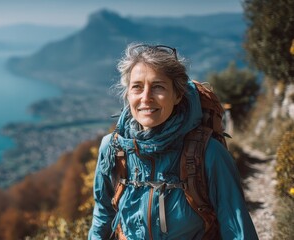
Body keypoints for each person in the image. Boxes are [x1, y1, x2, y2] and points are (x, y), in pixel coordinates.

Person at [88, 43, 258, 239]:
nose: (146, 97)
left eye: (158, 87)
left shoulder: (208, 153)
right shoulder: (113, 149)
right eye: (137, 87)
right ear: (128, 94)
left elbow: (237, 229)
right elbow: (103, 215)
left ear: (177, 95)